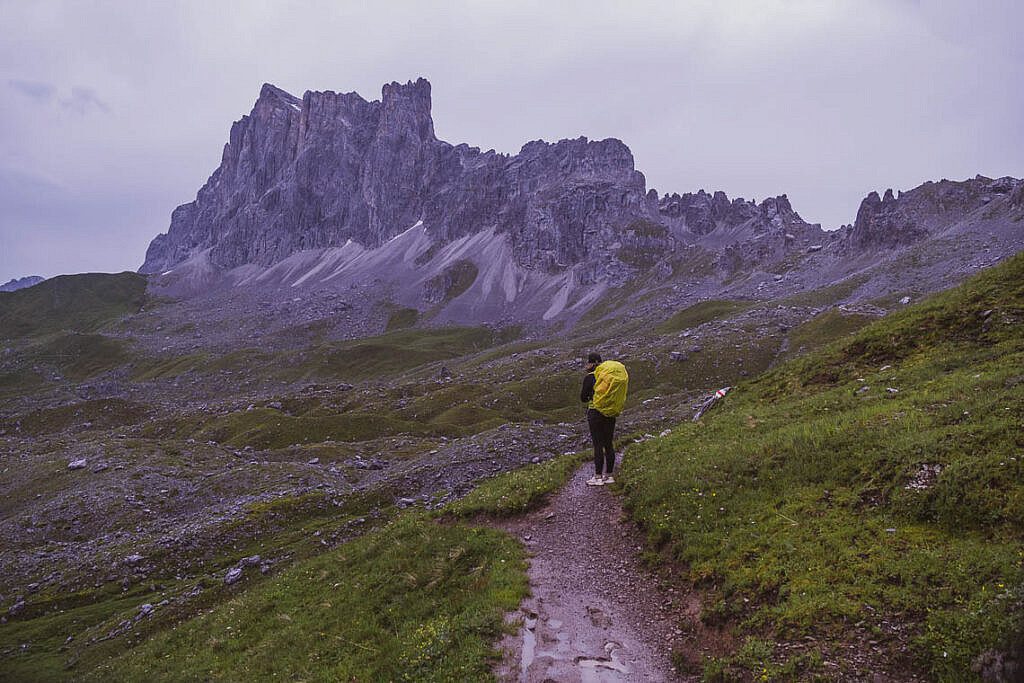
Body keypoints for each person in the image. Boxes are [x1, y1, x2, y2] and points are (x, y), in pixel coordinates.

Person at [580, 352, 617, 486]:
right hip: (610, 413)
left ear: (593, 362)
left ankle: (598, 477)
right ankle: (610, 476)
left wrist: (591, 395)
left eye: (589, 362)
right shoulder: (609, 376)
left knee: (597, 444)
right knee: (608, 443)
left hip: (595, 412)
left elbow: (583, 398)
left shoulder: (590, 377)